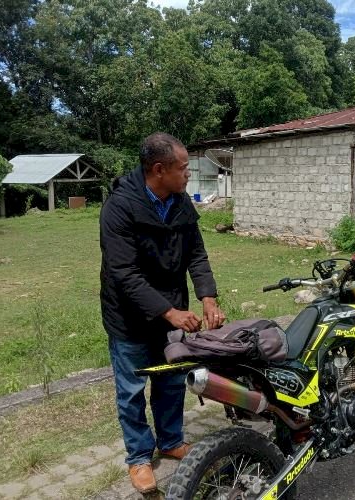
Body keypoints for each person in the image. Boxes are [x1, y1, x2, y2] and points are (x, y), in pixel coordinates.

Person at [99, 132, 226, 494]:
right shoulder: (119, 208)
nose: (188, 174)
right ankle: (139, 457)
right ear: (159, 170)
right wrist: (169, 312)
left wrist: (208, 297)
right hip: (129, 316)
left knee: (171, 381)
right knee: (131, 389)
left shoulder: (181, 201)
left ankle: (171, 441)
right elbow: (124, 274)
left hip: (171, 307)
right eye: (183, 168)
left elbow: (196, 254)